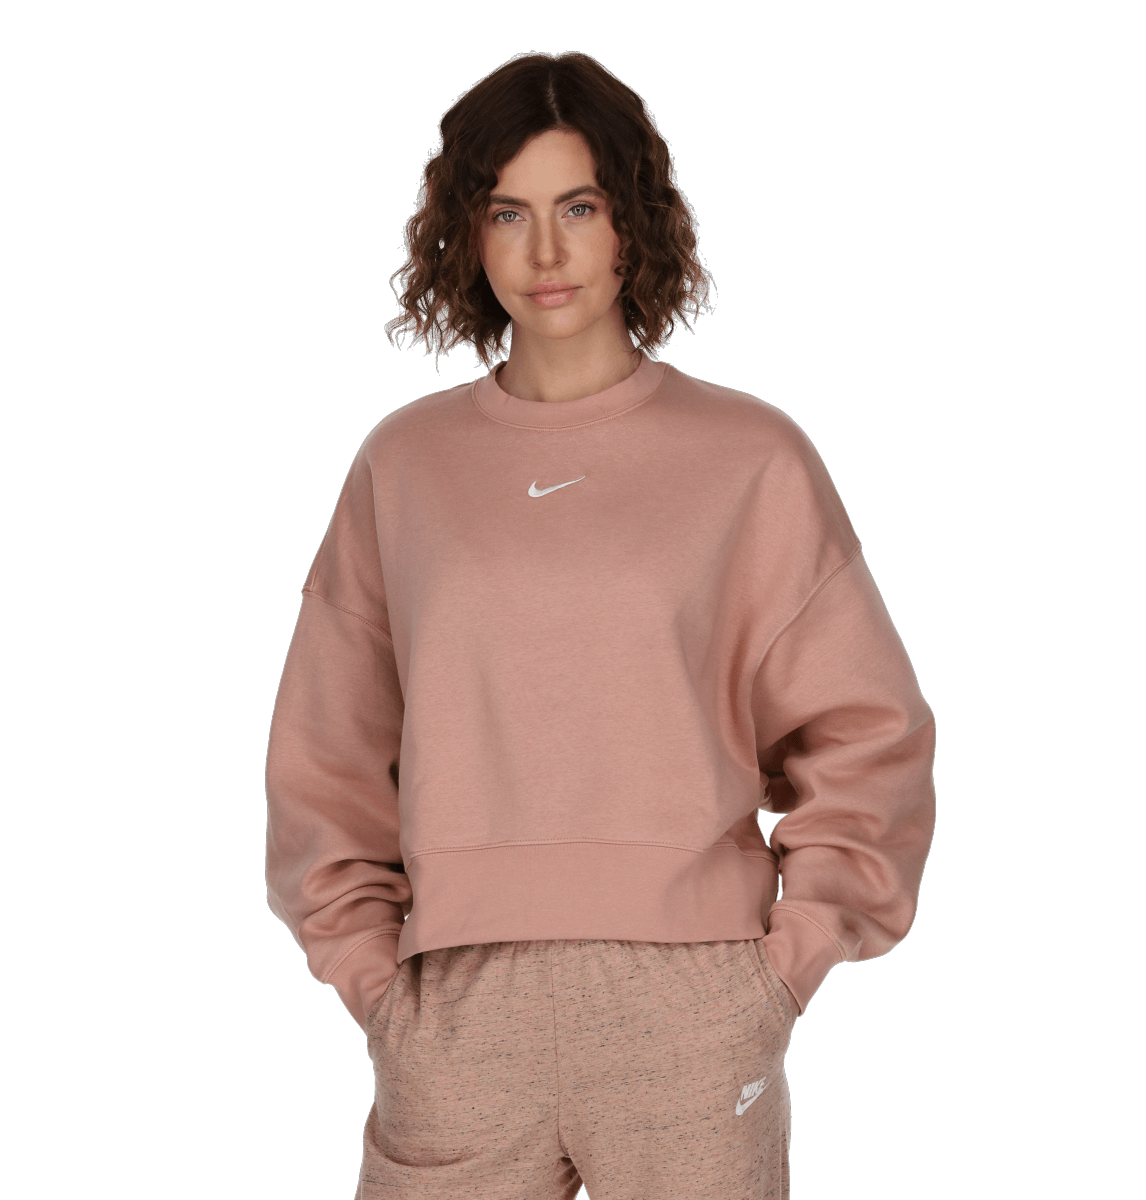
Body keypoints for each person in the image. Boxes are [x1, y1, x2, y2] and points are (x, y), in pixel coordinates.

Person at [265, 51, 936, 1200]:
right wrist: (374, 981)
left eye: (578, 207)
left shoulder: (752, 458)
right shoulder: (404, 466)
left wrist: (785, 966)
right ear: (466, 234)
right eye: (506, 212)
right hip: (455, 1006)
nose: (545, 252)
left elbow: (867, 732)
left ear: (633, 218)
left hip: (690, 1002)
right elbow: (326, 752)